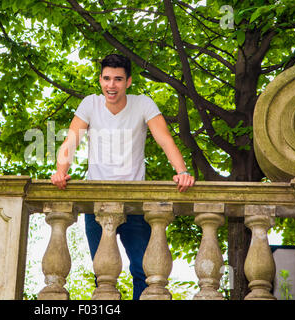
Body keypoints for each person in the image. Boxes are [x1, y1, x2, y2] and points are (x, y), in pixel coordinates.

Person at [50, 54, 194, 299]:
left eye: (118, 79)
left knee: (142, 269)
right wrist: (60, 171)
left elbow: (164, 139)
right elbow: (71, 140)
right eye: (106, 78)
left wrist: (182, 172)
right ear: (100, 80)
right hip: (97, 201)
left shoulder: (143, 104)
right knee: (103, 273)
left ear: (128, 82)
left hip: (135, 202)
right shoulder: (89, 104)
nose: (111, 85)